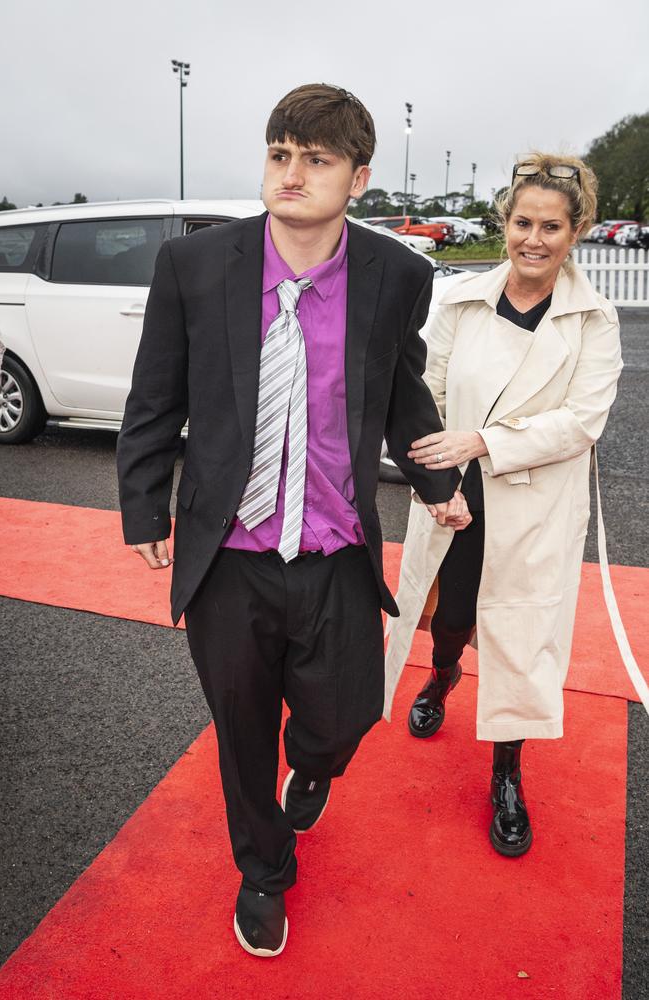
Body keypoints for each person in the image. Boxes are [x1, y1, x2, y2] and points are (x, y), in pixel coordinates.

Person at [117, 83, 470, 957]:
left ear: (358, 177)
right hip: (228, 551)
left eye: (316, 159)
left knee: (343, 718)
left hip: (333, 549)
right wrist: (142, 506)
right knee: (241, 732)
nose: (292, 172)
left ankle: (313, 765)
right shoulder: (197, 266)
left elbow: (398, 388)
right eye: (280, 154)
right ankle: (264, 871)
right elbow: (154, 396)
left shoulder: (398, 276)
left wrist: (437, 481)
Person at [384, 152, 623, 857]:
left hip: (536, 510)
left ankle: (508, 775)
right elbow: (422, 393)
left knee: (520, 642)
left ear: (574, 231)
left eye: (552, 226)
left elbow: (583, 421)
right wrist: (436, 485)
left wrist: (484, 439)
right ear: (505, 223)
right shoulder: (459, 300)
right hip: (459, 499)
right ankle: (445, 671)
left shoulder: (594, 321)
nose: (534, 239)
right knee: (450, 618)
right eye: (522, 222)